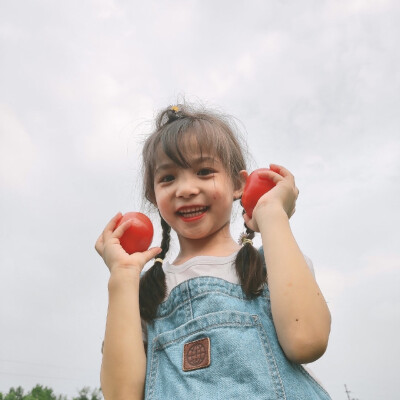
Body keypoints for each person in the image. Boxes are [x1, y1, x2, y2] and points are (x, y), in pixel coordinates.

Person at [95, 103, 332, 400]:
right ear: (153, 197)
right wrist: (123, 276)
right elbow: (121, 396)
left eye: (204, 171)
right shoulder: (146, 293)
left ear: (238, 184)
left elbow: (307, 341)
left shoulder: (272, 264)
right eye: (167, 178)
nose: (185, 189)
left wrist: (272, 215)